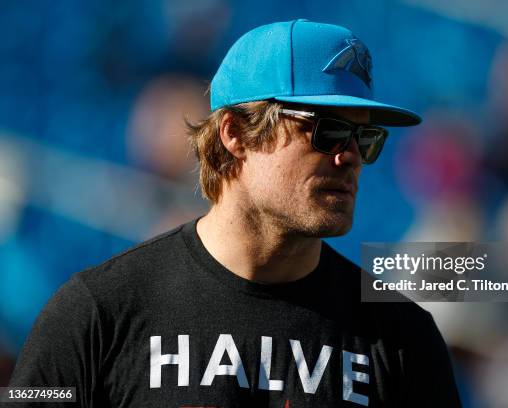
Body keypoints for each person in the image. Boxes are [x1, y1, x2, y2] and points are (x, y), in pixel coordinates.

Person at [8, 19, 461, 407]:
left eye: (365, 139)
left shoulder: (403, 338)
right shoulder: (98, 311)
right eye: (327, 132)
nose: (350, 158)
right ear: (235, 134)